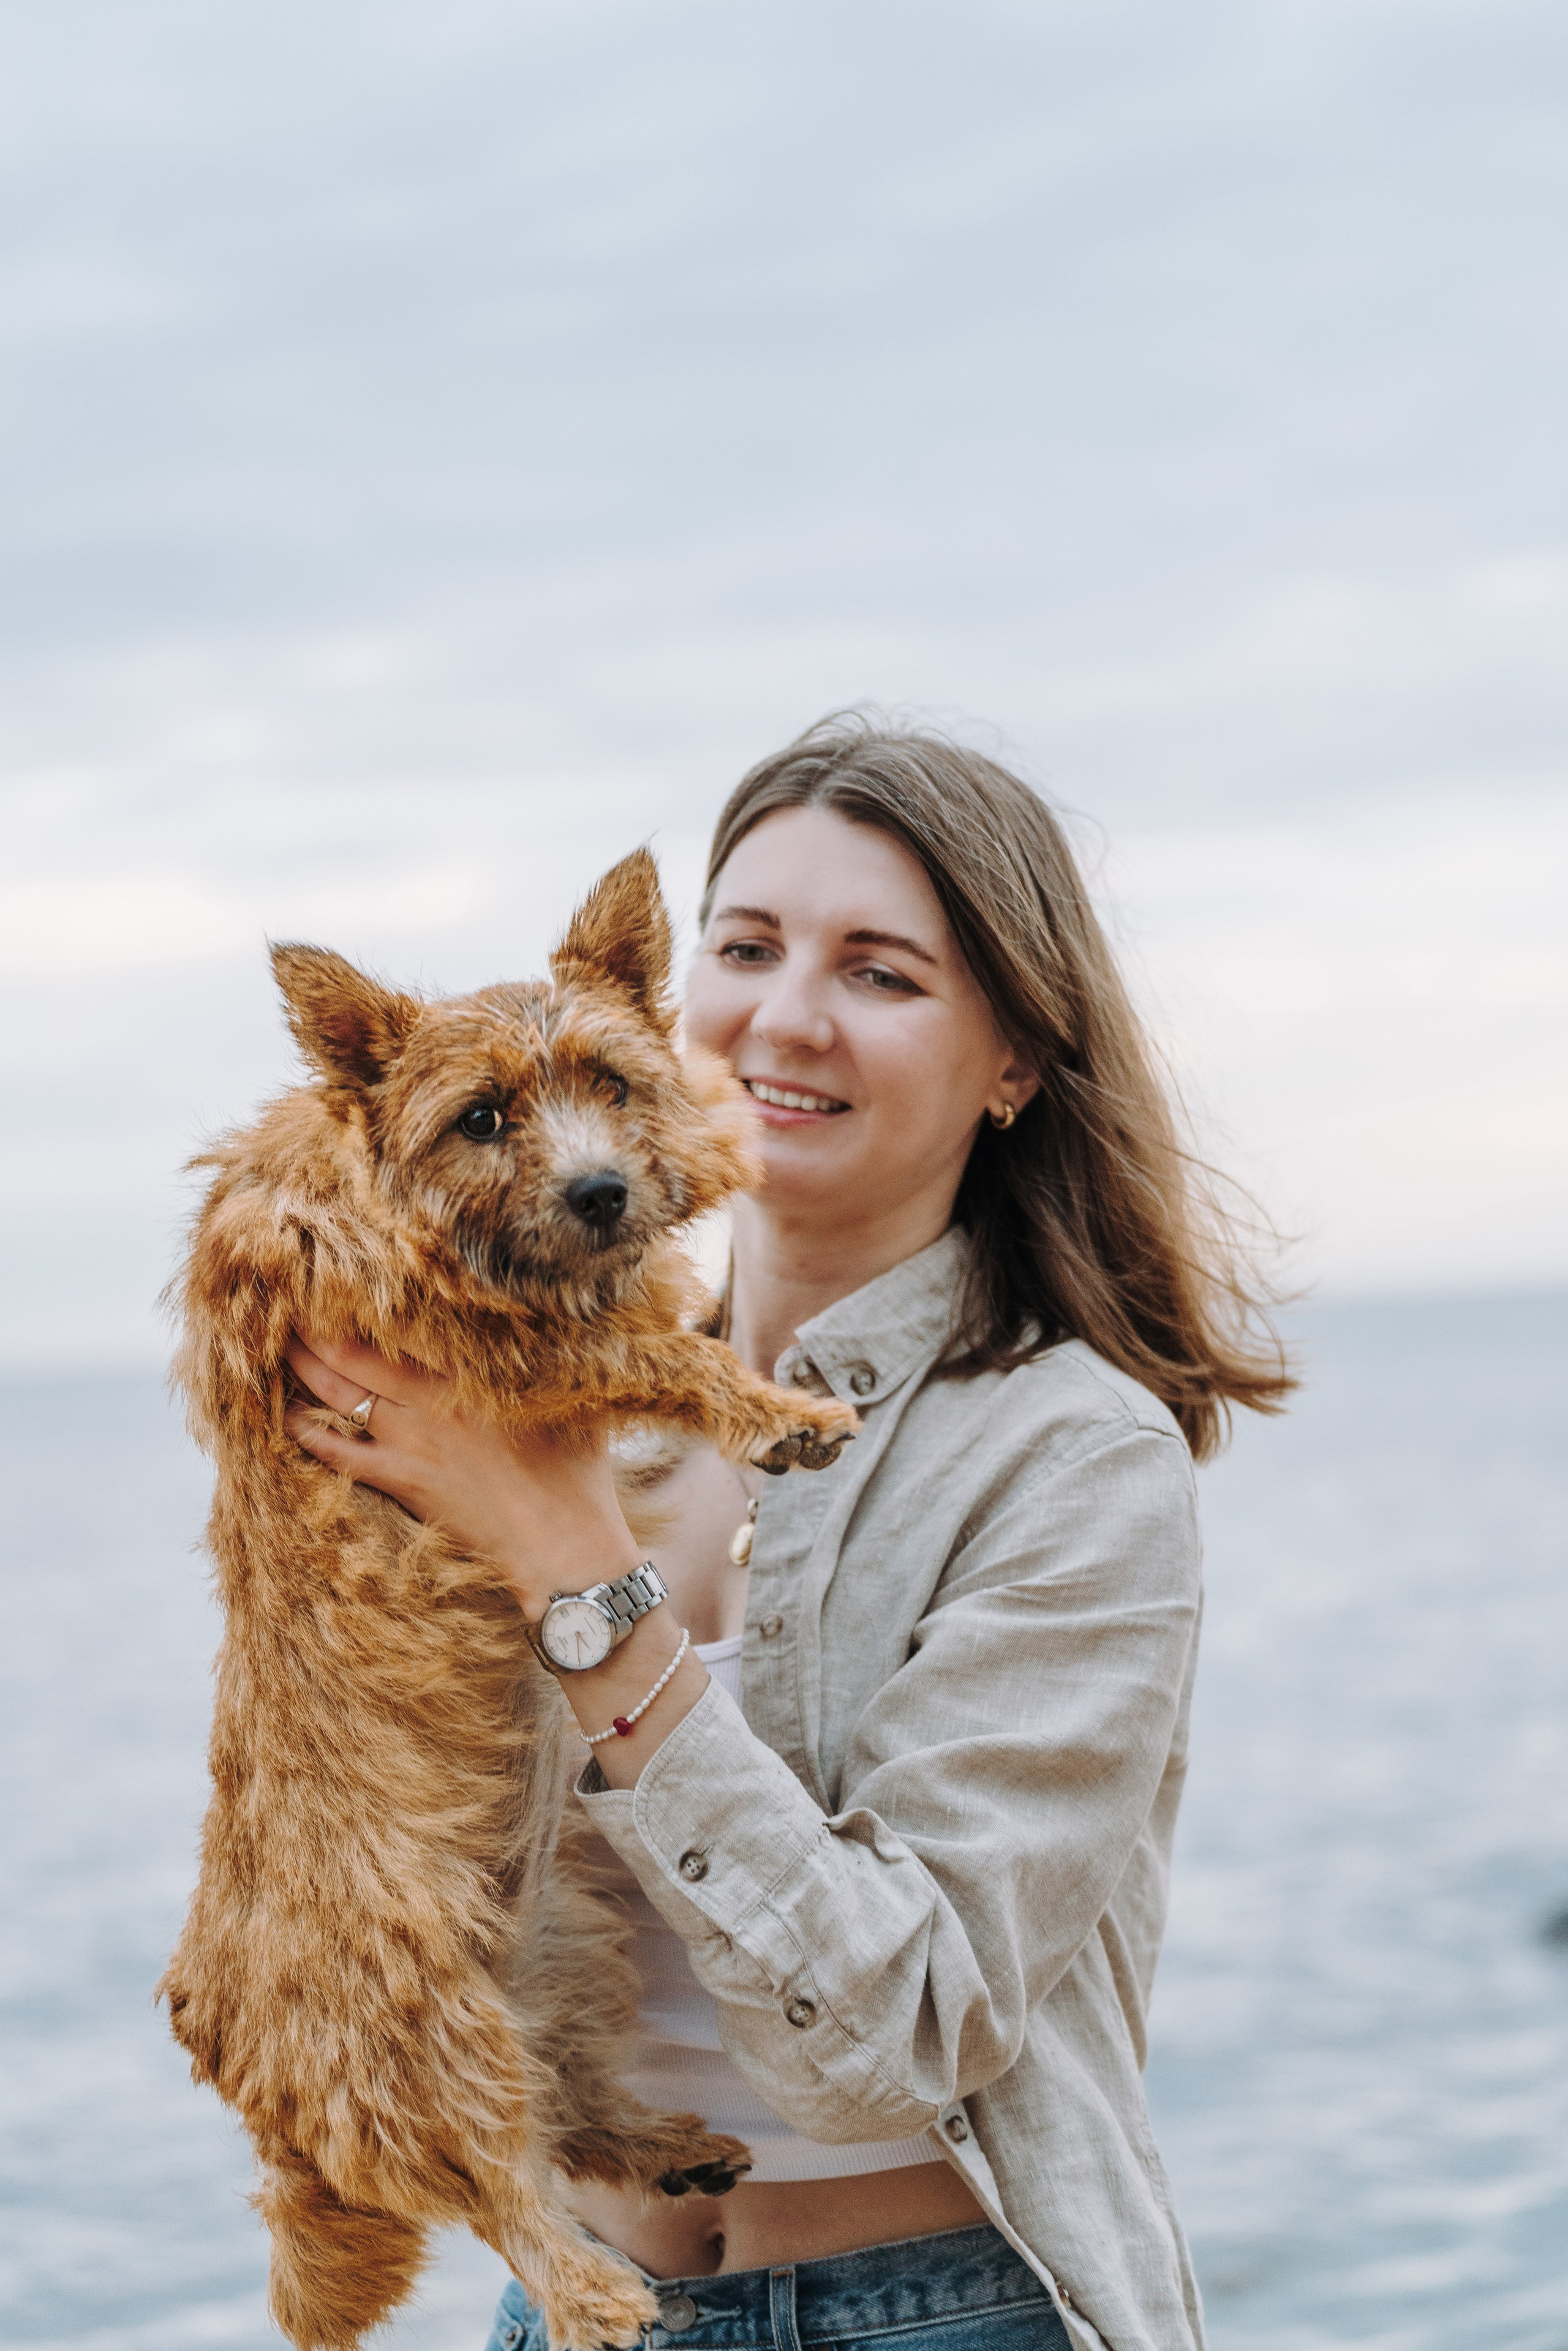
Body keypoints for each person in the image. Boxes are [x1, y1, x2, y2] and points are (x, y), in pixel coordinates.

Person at [284, 715, 1292, 2351]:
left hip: (937, 2315)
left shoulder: (1070, 1457)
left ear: (1017, 1061)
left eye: (882, 973)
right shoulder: (532, 1422)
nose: (785, 1016)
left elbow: (893, 2033)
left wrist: (575, 1581)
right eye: (746, 947)